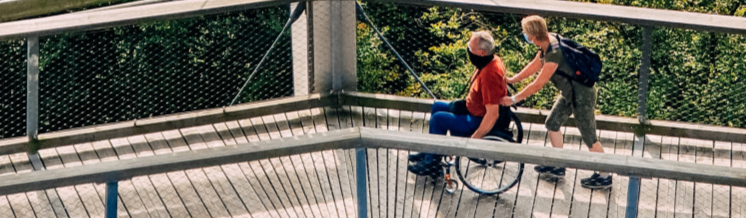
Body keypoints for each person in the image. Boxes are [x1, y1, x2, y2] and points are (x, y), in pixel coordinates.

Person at [499, 15, 611, 189]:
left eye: (526, 33)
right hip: (570, 93)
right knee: (552, 123)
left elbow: (538, 84)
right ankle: (558, 165)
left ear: (533, 37)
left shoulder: (554, 54)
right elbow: (535, 65)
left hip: (581, 97)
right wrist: (513, 79)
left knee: (590, 138)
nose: (524, 35)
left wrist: (513, 99)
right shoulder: (549, 41)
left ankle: (605, 175)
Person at [407, 31, 508, 178]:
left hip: (476, 119)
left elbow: (492, 114)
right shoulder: (491, 60)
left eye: (470, 48)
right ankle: (431, 150)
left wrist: (475, 139)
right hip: (471, 107)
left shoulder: (489, 75)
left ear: (481, 53)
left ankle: (431, 164)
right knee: (437, 107)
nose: (468, 50)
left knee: (438, 119)